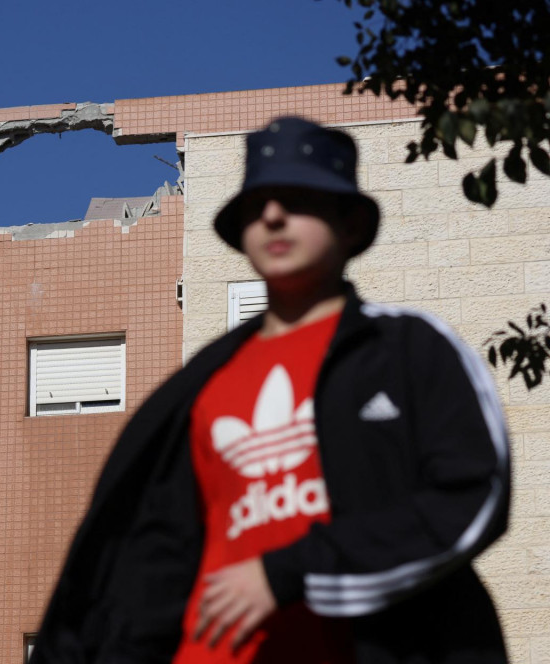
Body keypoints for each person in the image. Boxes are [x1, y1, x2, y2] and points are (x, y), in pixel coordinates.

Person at [30, 117, 510, 664]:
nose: (273, 215)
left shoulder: (405, 349)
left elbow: (473, 495)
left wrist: (287, 572)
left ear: (351, 224)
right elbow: (146, 564)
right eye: (256, 204)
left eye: (299, 198)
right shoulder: (195, 389)